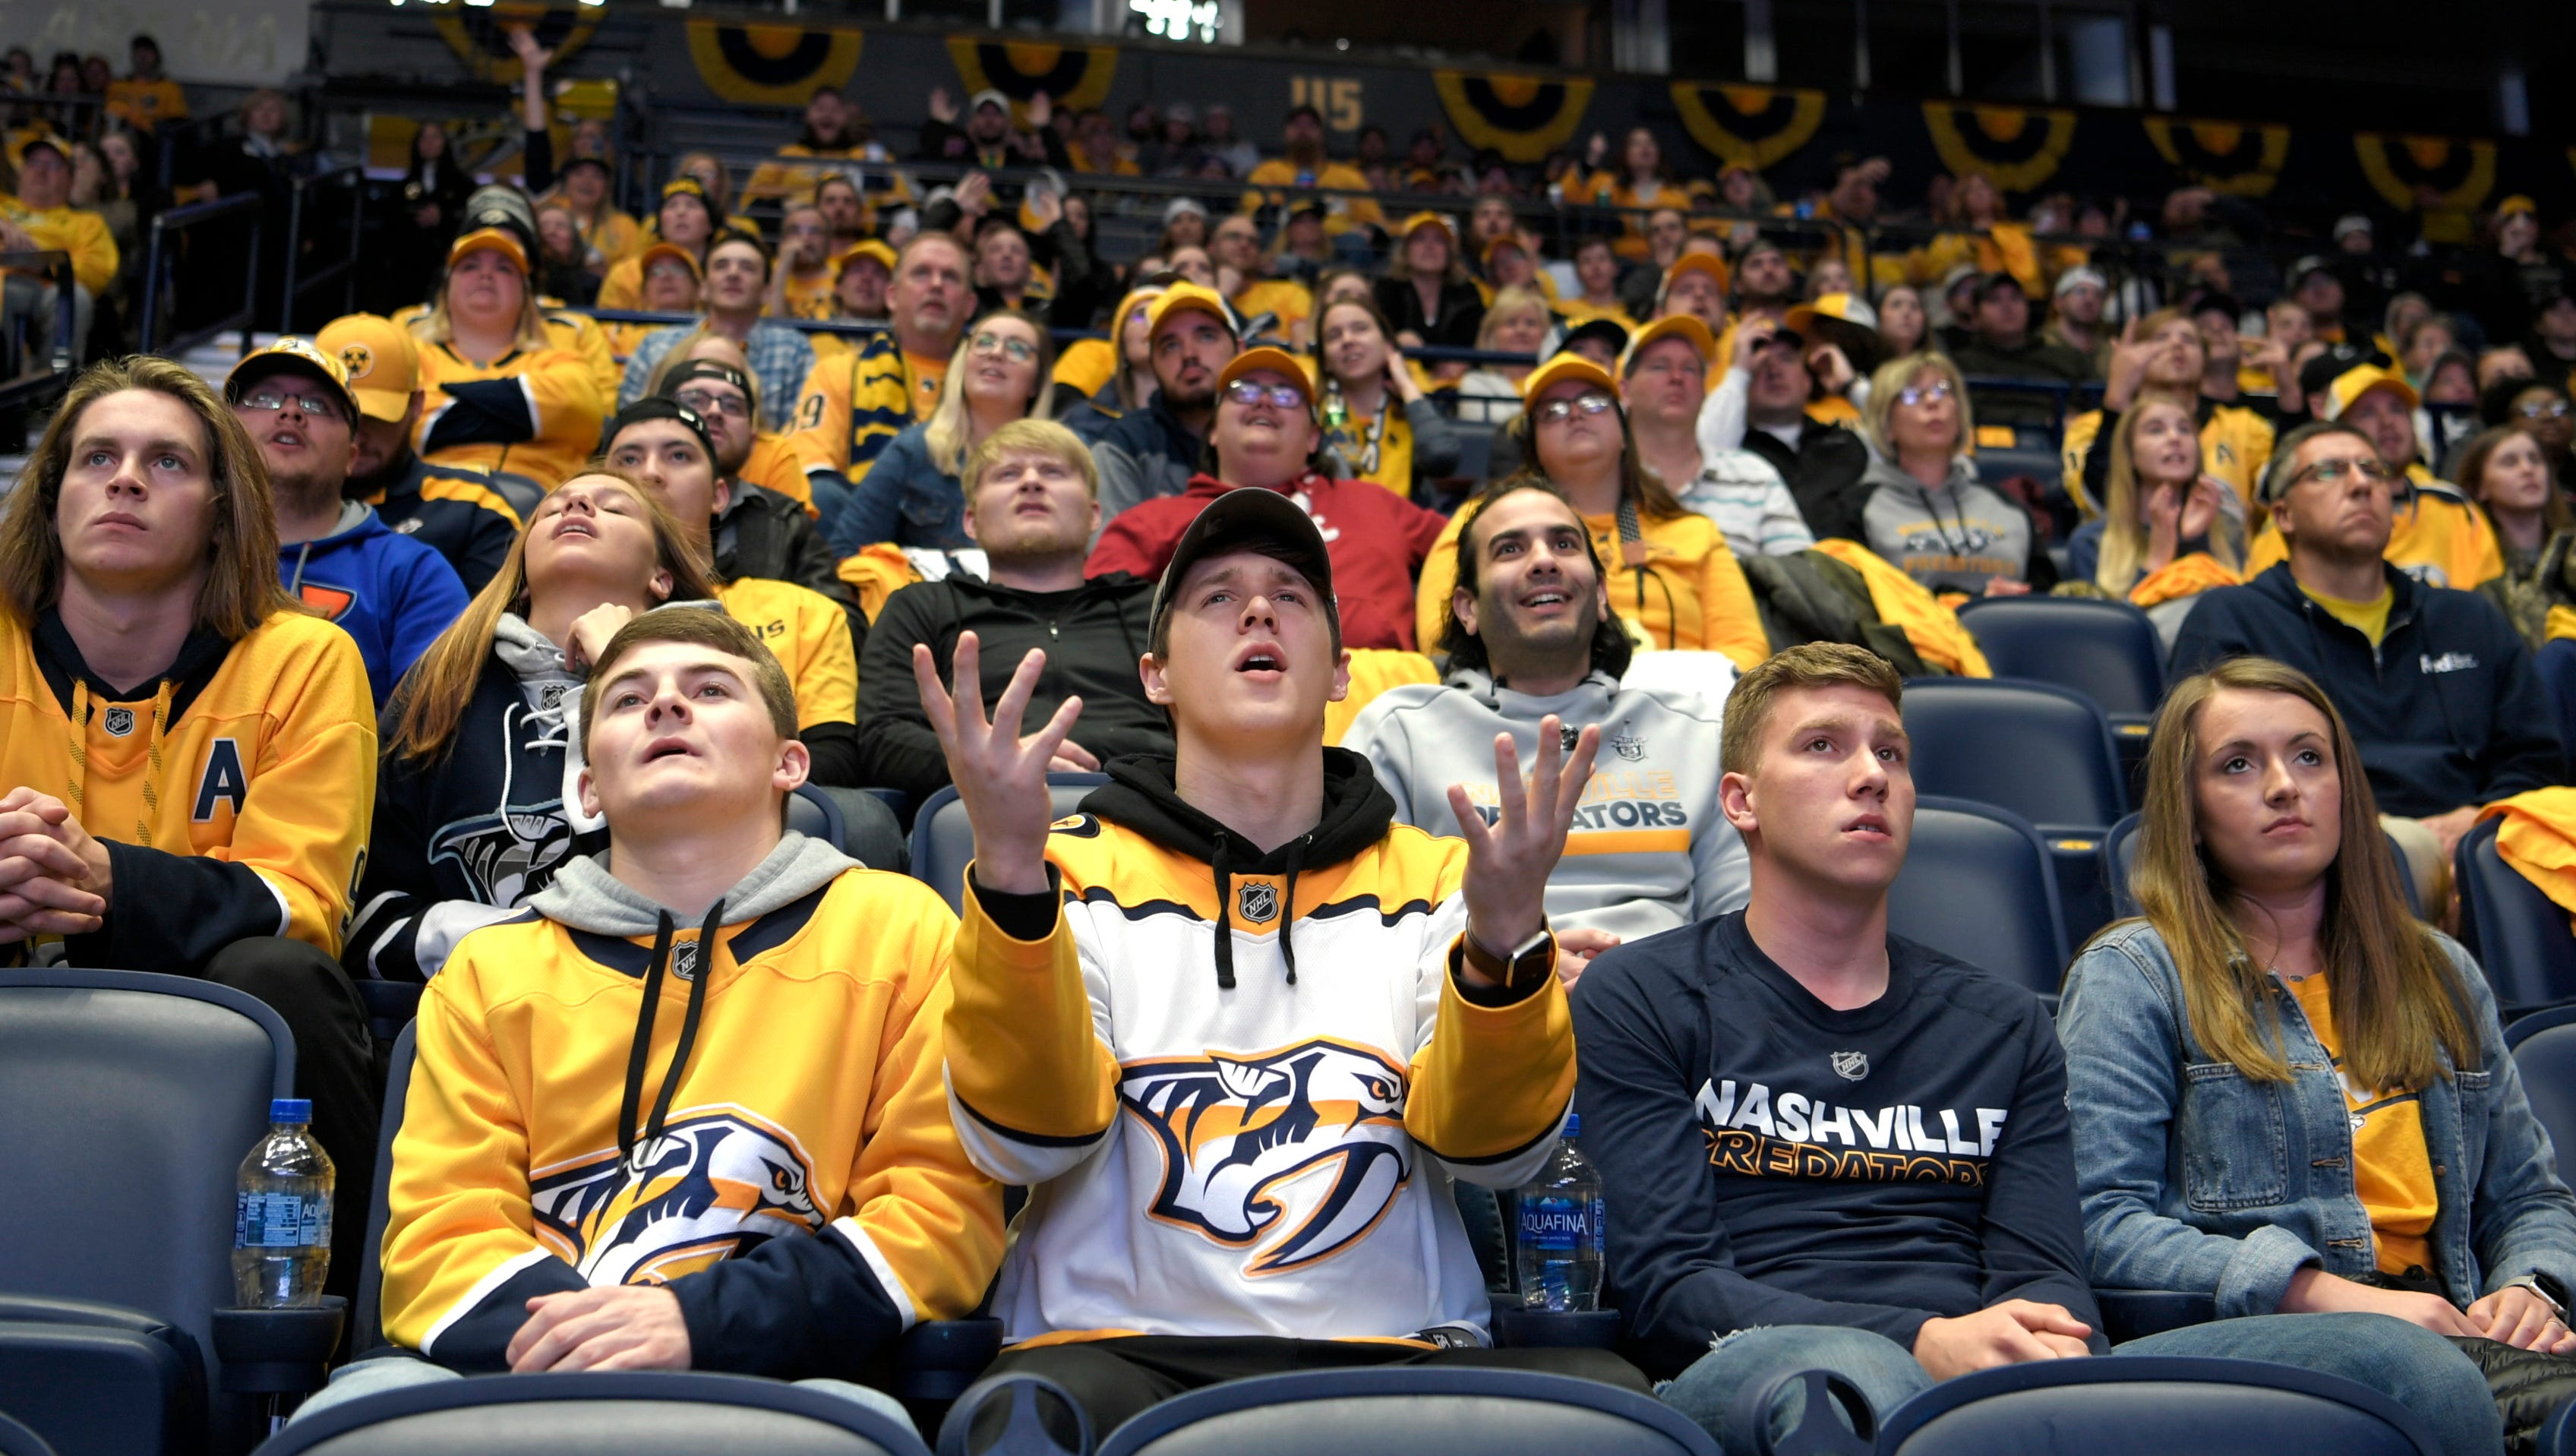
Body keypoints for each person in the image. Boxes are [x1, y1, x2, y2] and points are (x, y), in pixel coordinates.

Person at [1571, 642, 2502, 1456]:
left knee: (2414, 1370)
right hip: (1772, 1357)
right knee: (1854, 1385)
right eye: (1823, 747)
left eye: (1890, 753)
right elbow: (1670, 1290)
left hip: (1997, 1352)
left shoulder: (2001, 1022)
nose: (1870, 776)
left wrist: (2032, 1341)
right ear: (1739, 800)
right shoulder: (1645, 994)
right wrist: (1926, 1336)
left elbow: (2047, 1271)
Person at [923, 479, 1642, 1435]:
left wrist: (1504, 940)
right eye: (1217, 597)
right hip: (1107, 1352)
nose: (1258, 608)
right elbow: (1027, 1140)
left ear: (1340, 672)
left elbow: (1494, 1151)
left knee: (1619, 1417)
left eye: (1291, 597)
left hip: (1394, 1352)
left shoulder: (1439, 879)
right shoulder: (1066, 869)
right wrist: (1011, 876)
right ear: (1155, 675)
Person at [304, 606, 1001, 1418]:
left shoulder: (900, 930)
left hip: (784, 1378)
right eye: (628, 700)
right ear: (588, 788)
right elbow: (439, 1234)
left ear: (790, 763)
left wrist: (695, 1324)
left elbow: (938, 1213)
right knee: (353, 1417)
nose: (666, 706)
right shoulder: (491, 970)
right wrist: (598, 1348)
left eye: (709, 690)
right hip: (522, 1376)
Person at [2059, 656, 2576, 1456]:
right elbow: (2100, 1226)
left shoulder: (2439, 972)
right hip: (2264, 1342)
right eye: (2238, 764)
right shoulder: (2132, 976)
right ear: (2188, 811)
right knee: (2427, 1372)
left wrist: (2531, 1288)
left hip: (2455, 1326)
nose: (2282, 786)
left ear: (2345, 788)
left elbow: (2525, 1198)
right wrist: (2318, 1293)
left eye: (2308, 757)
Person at [0, 356, 380, 1305]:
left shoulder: (304, 660)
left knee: (280, 976)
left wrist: (102, 880)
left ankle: (321, 1331)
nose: (125, 478)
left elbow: (298, 902)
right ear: (51, 500)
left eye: (166, 462)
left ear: (222, 508)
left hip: (203, 984)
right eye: (97, 458)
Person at [1345, 478, 1747, 981]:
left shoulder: (1697, 731)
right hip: (1473, 1009)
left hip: (1671, 1018)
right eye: (1510, 548)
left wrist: (1633, 991)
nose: (1544, 560)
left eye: (1564, 543)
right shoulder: (1400, 732)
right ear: (1467, 609)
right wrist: (1507, 969)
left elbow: (1747, 929)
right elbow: (1363, 931)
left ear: (1601, 594)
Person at [350, 470, 721, 981]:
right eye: (553, 508)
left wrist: (622, 667)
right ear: (523, 576)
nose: (578, 506)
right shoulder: (438, 687)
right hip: (472, 1012)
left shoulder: (723, 677)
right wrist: (510, 940)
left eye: (613, 507)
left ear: (661, 575)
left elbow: (718, 864)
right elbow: (370, 911)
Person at [2170, 420, 2562, 864]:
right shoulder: (2233, 617)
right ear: (2283, 515)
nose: (2361, 485)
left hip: (2483, 842)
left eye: (2373, 471)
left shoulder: (2468, 617)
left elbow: (2535, 759)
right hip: (2320, 846)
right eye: (2329, 472)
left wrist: (2478, 822)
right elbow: (2206, 770)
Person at [854, 419, 1166, 802]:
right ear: (970, 521)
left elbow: (1211, 726)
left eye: (1053, 471)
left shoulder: (1154, 609)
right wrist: (993, 761)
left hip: (1150, 801)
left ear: (1094, 514)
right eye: (1007, 474)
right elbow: (883, 739)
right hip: (978, 806)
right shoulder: (918, 605)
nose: (1031, 482)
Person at [1418, 355, 1770, 668]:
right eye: (1553, 410)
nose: (1575, 413)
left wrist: (1673, 685)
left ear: (1623, 432)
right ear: (1533, 444)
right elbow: (1444, 642)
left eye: (1595, 402)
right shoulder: (1479, 522)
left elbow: (1746, 651)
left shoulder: (1695, 531)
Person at [1091, 346, 1445, 652]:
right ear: (1213, 431)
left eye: (1286, 395)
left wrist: (1437, 648)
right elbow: (1096, 616)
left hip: (1382, 697)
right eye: (1242, 390)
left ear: (1312, 438)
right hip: (1218, 705)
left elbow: (1472, 541)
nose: (1263, 400)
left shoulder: (1375, 502)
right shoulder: (1154, 520)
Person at [601, 403, 863, 788]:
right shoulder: (566, 610)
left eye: (678, 455)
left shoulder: (805, 611)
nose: (650, 473)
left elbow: (834, 761)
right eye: (629, 458)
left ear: (719, 495)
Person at [223, 338, 469, 710]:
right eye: (264, 399)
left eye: (316, 405)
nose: (290, 412)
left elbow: (429, 732)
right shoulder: (181, 552)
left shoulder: (413, 573)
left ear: (352, 457)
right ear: (221, 435)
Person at [2243, 365, 2506, 592]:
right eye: (2367, 413)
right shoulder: (2302, 510)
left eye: (2397, 410)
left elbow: (2491, 602)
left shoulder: (2453, 505)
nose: (2387, 421)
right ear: (2336, 431)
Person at [314, 314, 521, 598]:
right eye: (340, 414)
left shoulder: (471, 503)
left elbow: (497, 628)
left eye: (377, 417)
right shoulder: (273, 503)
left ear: (416, 405)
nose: (357, 434)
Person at [832, 308, 1053, 553]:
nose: (996, 353)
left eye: (1018, 349)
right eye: (984, 342)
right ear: (963, 362)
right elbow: (848, 550)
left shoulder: (1065, 462)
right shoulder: (914, 450)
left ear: (1036, 382)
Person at [647, 357, 854, 614]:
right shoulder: (611, 499)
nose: (714, 411)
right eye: (695, 399)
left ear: (754, 439)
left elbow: (844, 621)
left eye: (732, 405)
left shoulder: (785, 519)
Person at [411, 226, 607, 494]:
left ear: (525, 295)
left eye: (504, 268)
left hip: (540, 509)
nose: (486, 274)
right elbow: (398, 427)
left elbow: (584, 415)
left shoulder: (560, 360)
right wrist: (526, 415)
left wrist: (448, 399)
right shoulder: (413, 357)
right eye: (469, 266)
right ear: (445, 290)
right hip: (427, 503)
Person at [785, 231, 973, 510]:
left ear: (969, 305)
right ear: (892, 297)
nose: (936, 285)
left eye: (950, 277)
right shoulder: (838, 370)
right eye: (921, 273)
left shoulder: (991, 377)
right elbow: (809, 469)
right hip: (860, 529)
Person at [1858, 352, 2055, 596]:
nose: (1932, 401)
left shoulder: (2006, 505)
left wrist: (2017, 601)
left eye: (1942, 390)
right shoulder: (1858, 509)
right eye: (1911, 395)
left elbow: (2046, 594)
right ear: (1886, 425)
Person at [1621, 315, 1812, 561]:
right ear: (1624, 390)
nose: (1677, 378)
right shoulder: (1604, 481)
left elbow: (1803, 574)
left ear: (1704, 389)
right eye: (1660, 366)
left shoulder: (1755, 476)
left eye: (1690, 369)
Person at [2063, 308, 2278, 513]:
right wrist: (2117, 400)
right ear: (2132, 355)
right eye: (2161, 338)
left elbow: (2280, 496)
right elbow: (2096, 501)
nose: (2177, 344)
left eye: (2189, 340)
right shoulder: (2088, 427)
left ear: (2205, 359)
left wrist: (2291, 402)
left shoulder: (2245, 425)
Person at [2068, 399, 2246, 622]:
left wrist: (2192, 540)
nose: (2175, 438)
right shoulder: (2091, 542)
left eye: (2185, 429)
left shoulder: (2227, 533)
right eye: (2156, 430)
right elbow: (2110, 634)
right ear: (2130, 455)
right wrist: (2158, 557)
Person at [619, 234, 814, 434]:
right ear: (703, 288)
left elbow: (799, 431)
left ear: (766, 292)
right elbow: (629, 420)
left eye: (747, 267)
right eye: (721, 266)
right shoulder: (656, 346)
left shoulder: (793, 349)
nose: (733, 274)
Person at [1700, 322, 1877, 544]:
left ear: (1807, 382)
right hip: (1766, 571)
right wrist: (1738, 372)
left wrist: (1851, 386)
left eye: (1786, 359)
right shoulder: (1734, 446)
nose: (1774, 371)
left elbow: (1906, 439)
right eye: (1762, 363)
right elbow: (1702, 458)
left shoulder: (1847, 439)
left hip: (1854, 567)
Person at [1090, 282, 1242, 522]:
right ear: (1154, 365)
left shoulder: (1274, 428)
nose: (1189, 354)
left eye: (1206, 336)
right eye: (1170, 345)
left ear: (1239, 348)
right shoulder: (1124, 444)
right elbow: (1112, 555)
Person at [1312, 295, 1461, 495]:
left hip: (1403, 522)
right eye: (1334, 336)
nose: (1347, 340)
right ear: (1326, 361)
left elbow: (1442, 457)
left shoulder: (1410, 411)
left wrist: (1406, 385)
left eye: (1360, 329)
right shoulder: (1311, 417)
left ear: (1388, 346)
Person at [0, 136, 115, 365]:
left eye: (53, 165)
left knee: (77, 298)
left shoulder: (86, 223)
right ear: (21, 171)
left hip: (44, 290)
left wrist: (43, 261)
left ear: (70, 179)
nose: (41, 171)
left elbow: (96, 273)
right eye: (34, 162)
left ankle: (46, 396)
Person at [2460, 425, 2574, 650]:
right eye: (2510, 462)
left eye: (2535, 459)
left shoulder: (2571, 552)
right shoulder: (2475, 567)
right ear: (2480, 487)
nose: (2528, 469)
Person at [1946, 271, 2096, 432]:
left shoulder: (2068, 359)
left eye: (2015, 298)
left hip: (2058, 445)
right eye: (1994, 300)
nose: (2007, 307)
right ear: (1975, 316)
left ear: (2028, 307)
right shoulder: (1958, 365)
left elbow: (2095, 408)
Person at [1239, 103, 1382, 238]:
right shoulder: (1267, 172)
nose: (1303, 130)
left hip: (1337, 247)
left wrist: (1361, 230)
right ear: (1284, 134)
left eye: (1311, 125)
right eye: (1296, 124)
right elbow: (1254, 213)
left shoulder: (1348, 176)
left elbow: (1375, 222)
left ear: (1322, 135)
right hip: (1282, 245)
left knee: (1355, 241)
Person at [1568, 127, 1706, 261]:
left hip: (1666, 262)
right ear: (1625, 154)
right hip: (1621, 264)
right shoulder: (1611, 188)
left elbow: (1691, 233)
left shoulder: (1676, 195)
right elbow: (1569, 196)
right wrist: (1593, 157)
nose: (1644, 148)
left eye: (1650, 143)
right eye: (1636, 143)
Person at [595, 178, 721, 312]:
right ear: (659, 224)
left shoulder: (726, 271)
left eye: (692, 205)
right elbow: (609, 329)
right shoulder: (626, 273)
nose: (681, 212)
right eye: (672, 206)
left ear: (710, 224)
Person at [741, 85, 879, 204]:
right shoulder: (785, 155)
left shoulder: (867, 156)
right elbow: (750, 204)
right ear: (807, 116)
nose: (827, 114)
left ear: (847, 118)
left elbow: (895, 203)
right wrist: (784, 206)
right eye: (820, 108)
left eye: (835, 110)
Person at [1375, 213, 1485, 352]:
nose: (1429, 246)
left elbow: (1480, 341)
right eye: (1420, 239)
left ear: (1449, 251)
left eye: (1439, 240)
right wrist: (1394, 340)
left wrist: (1463, 362)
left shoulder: (1467, 293)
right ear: (1405, 250)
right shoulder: (1385, 290)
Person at [102, 33, 185, 134]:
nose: (143, 59)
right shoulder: (117, 86)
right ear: (133, 57)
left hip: (149, 138)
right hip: (116, 133)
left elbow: (178, 122)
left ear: (156, 57)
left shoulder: (169, 88)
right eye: (139, 54)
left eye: (148, 54)